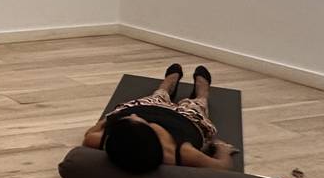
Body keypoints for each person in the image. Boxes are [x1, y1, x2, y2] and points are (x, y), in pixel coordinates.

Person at [82, 63, 238, 172]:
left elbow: (89, 134)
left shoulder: (101, 139)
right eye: (136, 120)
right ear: (150, 134)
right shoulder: (180, 152)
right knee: (197, 105)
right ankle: (202, 93)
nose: (134, 115)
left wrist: (111, 119)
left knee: (156, 96)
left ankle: (167, 86)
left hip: (147, 107)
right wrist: (222, 149)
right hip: (185, 121)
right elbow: (221, 167)